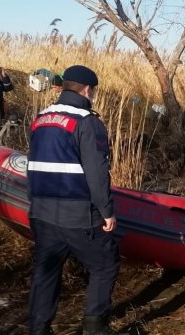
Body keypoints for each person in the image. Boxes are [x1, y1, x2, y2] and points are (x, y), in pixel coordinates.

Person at [26, 65, 123, 335]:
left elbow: (34, 163)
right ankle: (94, 327)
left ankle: (38, 327)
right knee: (105, 264)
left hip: (42, 211)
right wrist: (107, 211)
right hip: (78, 214)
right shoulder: (87, 121)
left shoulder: (41, 118)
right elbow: (96, 173)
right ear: (88, 89)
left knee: (47, 269)